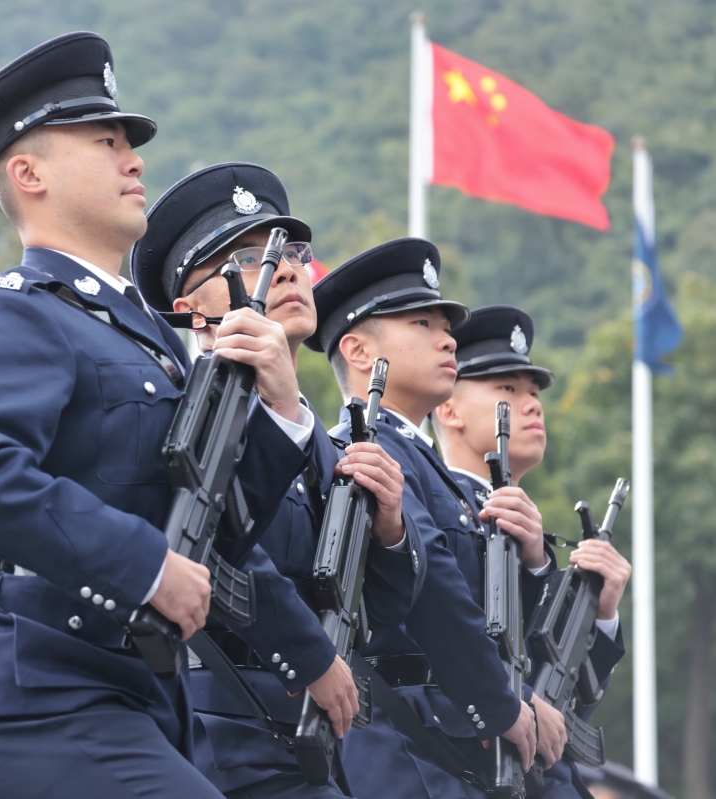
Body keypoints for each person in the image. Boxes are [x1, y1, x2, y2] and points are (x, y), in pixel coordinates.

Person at [0, 31, 362, 799]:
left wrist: (283, 409)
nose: (135, 160)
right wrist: (145, 566)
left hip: (113, 694)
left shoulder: (146, 338)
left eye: (130, 142)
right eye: (105, 141)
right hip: (26, 697)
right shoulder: (16, 312)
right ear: (29, 173)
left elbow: (211, 527)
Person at [132, 161, 423, 799]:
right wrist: (311, 658)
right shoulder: (174, 417)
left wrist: (393, 529)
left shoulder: (317, 436)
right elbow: (216, 556)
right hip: (217, 733)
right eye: (246, 260)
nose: (286, 268)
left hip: (321, 742)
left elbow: (378, 609)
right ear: (191, 311)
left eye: (291, 251)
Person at [307, 238, 541, 799]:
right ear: (359, 351)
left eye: (446, 326)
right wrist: (501, 704)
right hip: (399, 740)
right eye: (422, 324)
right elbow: (431, 588)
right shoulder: (364, 451)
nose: (447, 339)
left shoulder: (421, 462)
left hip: (441, 738)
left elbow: (490, 613)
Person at [434, 304, 629, 799]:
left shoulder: (527, 533)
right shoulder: (434, 507)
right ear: (449, 409)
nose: (532, 404)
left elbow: (563, 713)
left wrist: (600, 615)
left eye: (534, 392)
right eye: (507, 389)